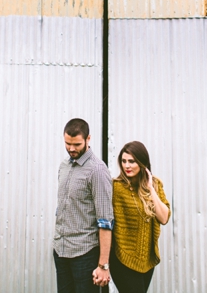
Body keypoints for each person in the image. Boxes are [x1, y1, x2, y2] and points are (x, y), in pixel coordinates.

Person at [53, 118, 114, 292]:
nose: (71, 149)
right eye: (67, 143)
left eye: (77, 144)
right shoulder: (64, 166)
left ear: (88, 139)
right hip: (61, 250)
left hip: (85, 254)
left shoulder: (97, 171)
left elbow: (105, 221)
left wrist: (103, 265)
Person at [110, 141, 170, 293]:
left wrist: (150, 188)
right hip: (121, 258)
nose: (127, 166)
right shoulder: (115, 187)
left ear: (142, 163)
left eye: (132, 161)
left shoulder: (155, 185)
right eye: (123, 161)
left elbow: (164, 218)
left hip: (146, 260)